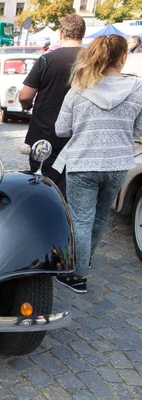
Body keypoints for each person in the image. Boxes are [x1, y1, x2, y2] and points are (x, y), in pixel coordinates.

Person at [52, 35, 142, 293]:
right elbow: (139, 128)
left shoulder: (79, 89)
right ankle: (85, 259)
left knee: (80, 220)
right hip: (117, 165)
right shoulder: (137, 89)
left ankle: (78, 276)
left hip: (83, 162)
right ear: (123, 57)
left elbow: (61, 130)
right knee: (100, 217)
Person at [19, 13, 86, 197]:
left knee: (44, 188)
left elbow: (25, 96)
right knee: (77, 190)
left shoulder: (46, 60)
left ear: (61, 34)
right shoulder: (94, 61)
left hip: (46, 136)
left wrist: (26, 107)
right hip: (82, 135)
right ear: (82, 34)